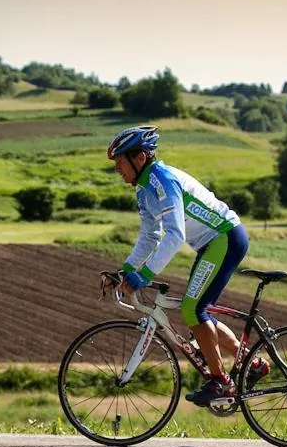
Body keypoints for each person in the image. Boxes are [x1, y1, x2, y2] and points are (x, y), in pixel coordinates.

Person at [103, 124, 269, 406]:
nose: (117, 169)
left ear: (139, 158)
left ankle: (221, 382)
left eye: (120, 162)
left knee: (193, 308)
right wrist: (126, 270)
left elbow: (175, 234)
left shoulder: (162, 180)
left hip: (225, 237)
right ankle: (252, 364)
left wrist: (145, 274)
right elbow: (150, 236)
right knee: (197, 310)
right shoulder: (144, 190)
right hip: (212, 243)